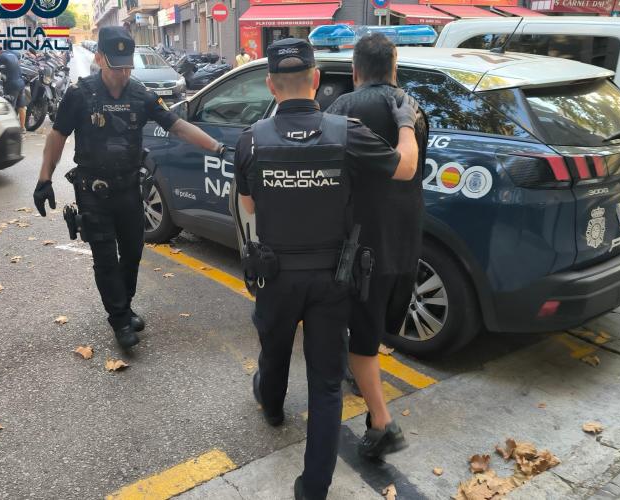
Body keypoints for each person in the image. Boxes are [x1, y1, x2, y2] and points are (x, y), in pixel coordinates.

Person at [234, 38, 419, 500]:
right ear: (316, 80)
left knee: (274, 349)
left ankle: (272, 407)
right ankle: (314, 487)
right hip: (333, 278)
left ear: (270, 85)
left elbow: (249, 205)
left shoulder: (251, 139)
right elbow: (405, 169)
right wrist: (405, 122)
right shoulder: (347, 132)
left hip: (276, 275)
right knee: (326, 384)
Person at [33, 26, 224, 349]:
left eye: (127, 67)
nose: (122, 74)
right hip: (93, 192)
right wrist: (44, 179)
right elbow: (57, 136)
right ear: (99, 58)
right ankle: (119, 319)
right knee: (106, 257)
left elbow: (177, 126)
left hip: (130, 189)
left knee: (133, 253)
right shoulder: (80, 94)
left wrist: (217, 147)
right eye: (115, 66)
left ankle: (124, 305)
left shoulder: (141, 94)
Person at [326, 32, 428, 459]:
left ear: (355, 71)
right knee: (375, 326)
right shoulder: (413, 109)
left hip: (359, 246)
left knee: (362, 338)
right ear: (394, 68)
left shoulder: (342, 109)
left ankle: (383, 424)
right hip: (405, 239)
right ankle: (369, 401)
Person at [0, 49, 26, 132]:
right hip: (21, 82)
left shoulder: (1, 57)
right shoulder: (13, 54)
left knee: (10, 107)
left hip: (12, 84)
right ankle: (22, 128)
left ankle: (11, 129)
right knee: (21, 106)